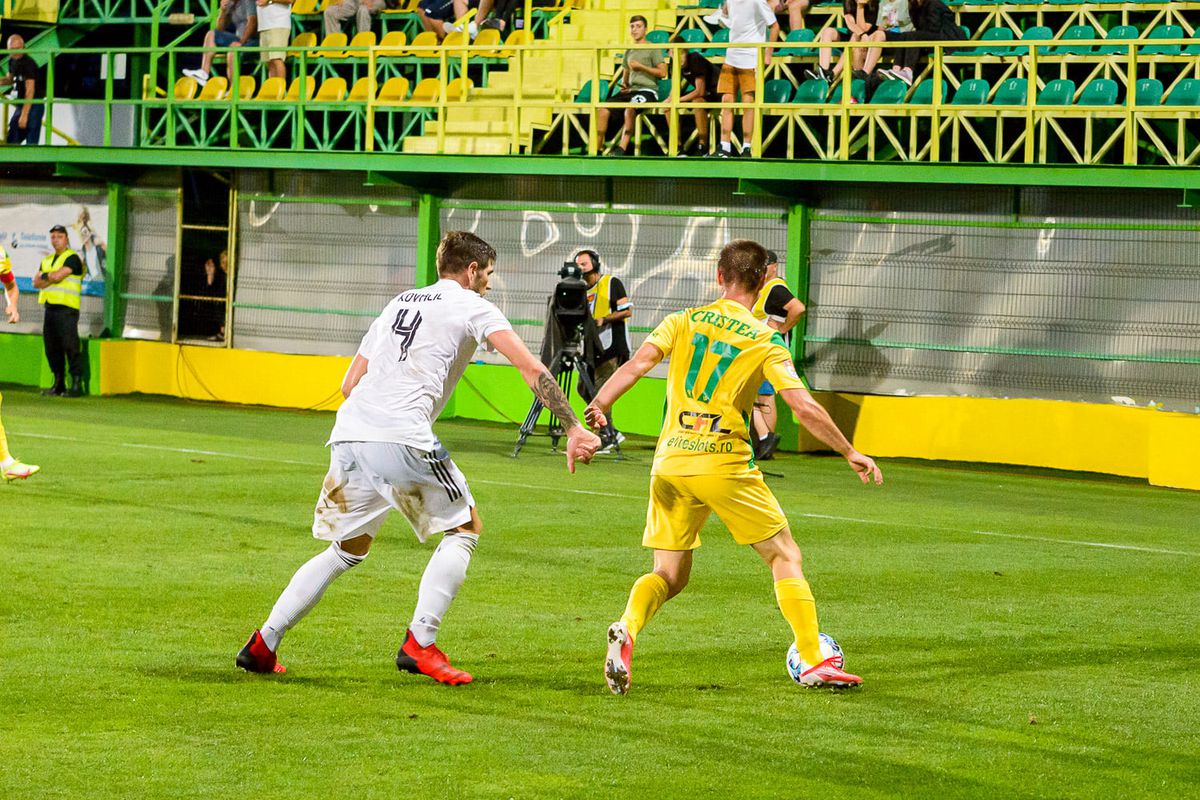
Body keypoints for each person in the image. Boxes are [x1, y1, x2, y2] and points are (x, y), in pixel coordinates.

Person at [236, 231, 601, 682]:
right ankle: (420, 643)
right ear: (471, 271)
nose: (488, 283)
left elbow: (351, 383)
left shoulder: (399, 303)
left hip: (350, 433)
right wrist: (573, 426)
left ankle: (263, 644)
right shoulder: (473, 305)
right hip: (399, 434)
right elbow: (530, 367)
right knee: (465, 527)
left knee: (348, 548)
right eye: (487, 274)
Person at [584, 239, 882, 695]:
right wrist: (849, 451)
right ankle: (815, 657)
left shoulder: (681, 320)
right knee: (784, 556)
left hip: (669, 462)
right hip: (722, 460)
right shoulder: (765, 337)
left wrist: (600, 403)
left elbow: (639, 363)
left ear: (718, 277)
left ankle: (627, 628)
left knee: (669, 574)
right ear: (763, 283)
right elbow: (801, 406)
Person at [750, 250, 805, 461]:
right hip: (767, 349)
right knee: (765, 396)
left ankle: (765, 439)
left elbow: (798, 309)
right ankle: (766, 441)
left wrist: (782, 329)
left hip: (764, 349)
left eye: (766, 265)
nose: (762, 270)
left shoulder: (775, 288)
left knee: (751, 395)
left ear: (775, 266)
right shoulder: (766, 288)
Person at [575, 249, 631, 449]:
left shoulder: (612, 283)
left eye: (584, 263)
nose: (581, 267)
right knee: (583, 387)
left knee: (601, 391)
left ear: (595, 263)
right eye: (578, 264)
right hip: (591, 350)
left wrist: (603, 320)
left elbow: (627, 311)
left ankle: (607, 437)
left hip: (611, 348)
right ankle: (611, 431)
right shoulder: (580, 290)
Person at [715, 0, 779, 158]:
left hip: (751, 58)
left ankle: (747, 147)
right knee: (726, 100)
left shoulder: (758, 1)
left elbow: (775, 26)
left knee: (748, 103)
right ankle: (725, 147)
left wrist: (768, 53)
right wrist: (721, 13)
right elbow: (727, 20)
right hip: (731, 56)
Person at [597, 16, 666, 157]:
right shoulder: (629, 50)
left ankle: (621, 149)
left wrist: (642, 67)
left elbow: (663, 73)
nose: (634, 29)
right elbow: (626, 72)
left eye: (638, 26)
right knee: (603, 109)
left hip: (648, 91)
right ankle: (597, 148)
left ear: (645, 29)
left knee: (630, 107)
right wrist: (624, 84)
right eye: (632, 26)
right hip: (631, 90)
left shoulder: (653, 49)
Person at [32, 225, 87, 398]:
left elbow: (56, 277)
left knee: (70, 345)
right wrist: (51, 277)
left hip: (67, 308)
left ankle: (77, 383)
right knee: (51, 348)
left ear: (67, 238)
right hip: (50, 308)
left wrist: (47, 277)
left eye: (59, 237)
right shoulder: (47, 260)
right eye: (53, 237)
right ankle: (58, 384)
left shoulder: (72, 258)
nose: (55, 240)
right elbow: (36, 283)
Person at [872, 0, 963, 85]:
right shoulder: (915, 7)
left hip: (947, 37)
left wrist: (919, 34)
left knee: (913, 36)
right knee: (904, 35)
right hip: (929, 37)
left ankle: (908, 71)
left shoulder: (934, 3)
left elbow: (934, 28)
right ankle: (896, 69)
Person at [182, 0, 260, 87]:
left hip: (254, 41)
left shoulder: (248, 2)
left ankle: (233, 89)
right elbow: (220, 28)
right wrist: (223, 11)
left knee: (232, 50)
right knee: (212, 34)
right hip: (238, 39)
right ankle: (204, 73)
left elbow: (252, 23)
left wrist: (241, 42)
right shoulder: (232, 4)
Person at [805, 0, 878, 84]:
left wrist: (860, 7)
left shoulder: (873, 2)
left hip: (870, 38)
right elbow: (850, 23)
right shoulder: (848, 1)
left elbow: (864, 28)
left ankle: (832, 75)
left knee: (855, 36)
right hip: (855, 34)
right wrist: (861, 34)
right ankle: (824, 70)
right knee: (827, 31)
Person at [672, 39, 720, 157]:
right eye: (673, 53)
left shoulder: (695, 59)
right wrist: (670, 100)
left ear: (686, 52)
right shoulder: (674, 63)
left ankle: (702, 147)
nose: (678, 57)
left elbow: (700, 91)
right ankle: (678, 148)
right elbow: (675, 88)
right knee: (668, 107)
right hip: (703, 93)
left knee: (697, 101)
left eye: (681, 53)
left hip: (717, 92)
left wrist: (678, 100)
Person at [1, 35, 44, 145]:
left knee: (31, 140)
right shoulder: (12, 61)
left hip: (34, 104)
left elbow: (30, 91)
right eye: (12, 50)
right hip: (22, 104)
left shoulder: (28, 64)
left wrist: (24, 115)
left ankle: (32, 161)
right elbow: (10, 79)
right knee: (12, 137)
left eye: (18, 49)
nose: (15, 52)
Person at [256, 0, 293, 80]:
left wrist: (269, 0)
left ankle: (281, 90)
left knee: (277, 59)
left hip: (278, 24)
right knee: (269, 62)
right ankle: (274, 90)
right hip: (264, 25)